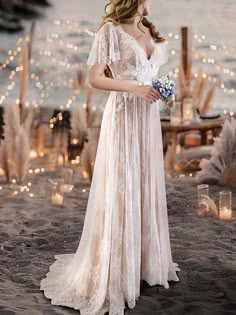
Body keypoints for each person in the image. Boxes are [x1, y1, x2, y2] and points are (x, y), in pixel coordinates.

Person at [40, 1, 180, 314]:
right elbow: (95, 78)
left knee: (144, 182)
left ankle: (144, 265)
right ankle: (118, 267)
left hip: (147, 119)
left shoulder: (147, 29)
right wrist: (134, 88)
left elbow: (151, 76)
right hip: (123, 116)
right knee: (122, 183)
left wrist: (166, 93)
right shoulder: (110, 31)